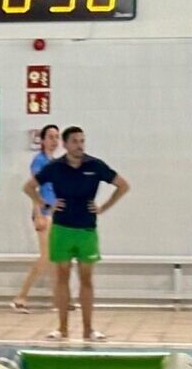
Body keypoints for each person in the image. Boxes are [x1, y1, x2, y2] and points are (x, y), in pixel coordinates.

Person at [24, 126, 130, 341]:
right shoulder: (55, 167)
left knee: (86, 279)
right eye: (75, 141)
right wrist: (45, 204)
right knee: (62, 277)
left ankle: (88, 329)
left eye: (82, 141)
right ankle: (62, 328)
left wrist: (103, 207)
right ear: (65, 144)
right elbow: (28, 187)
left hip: (86, 229)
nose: (80, 145)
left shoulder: (94, 165)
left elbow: (122, 185)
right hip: (62, 228)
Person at [11, 124, 60, 313]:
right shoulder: (39, 161)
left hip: (55, 212)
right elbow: (33, 189)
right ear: (43, 140)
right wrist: (39, 213)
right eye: (51, 137)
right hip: (43, 212)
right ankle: (20, 297)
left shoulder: (55, 162)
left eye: (57, 137)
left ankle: (58, 300)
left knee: (56, 257)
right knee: (46, 256)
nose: (54, 141)